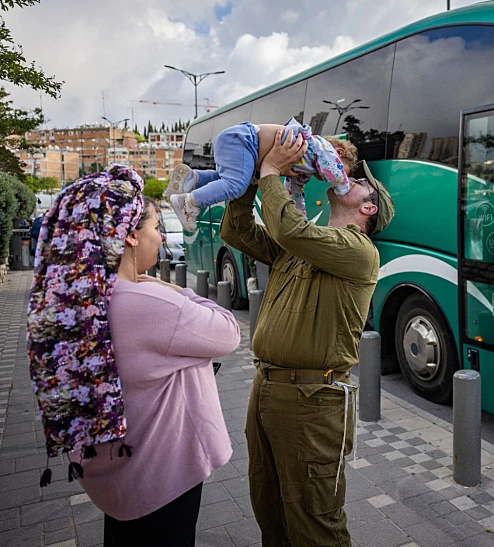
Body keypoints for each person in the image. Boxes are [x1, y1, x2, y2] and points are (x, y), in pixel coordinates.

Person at [27, 164, 240, 546]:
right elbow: (229, 332)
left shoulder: (77, 300)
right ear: (128, 235)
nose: (161, 237)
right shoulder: (150, 304)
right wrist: (176, 290)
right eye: (156, 227)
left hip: (115, 481)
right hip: (162, 481)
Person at [220, 130, 394, 546]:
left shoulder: (359, 250)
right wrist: (247, 180)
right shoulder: (303, 244)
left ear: (367, 207)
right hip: (267, 389)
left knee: (315, 522)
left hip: (312, 401)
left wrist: (271, 171)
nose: (350, 178)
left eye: (360, 181)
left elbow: (289, 230)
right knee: (270, 509)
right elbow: (236, 232)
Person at [167, 118, 358, 230]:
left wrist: (301, 219)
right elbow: (334, 171)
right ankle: (189, 203)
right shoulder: (321, 147)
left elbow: (294, 193)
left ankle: (193, 178)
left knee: (230, 180)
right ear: (339, 153)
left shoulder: (304, 170)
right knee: (236, 186)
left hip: (239, 142)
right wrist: (344, 188)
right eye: (342, 168)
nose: (326, 179)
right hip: (244, 140)